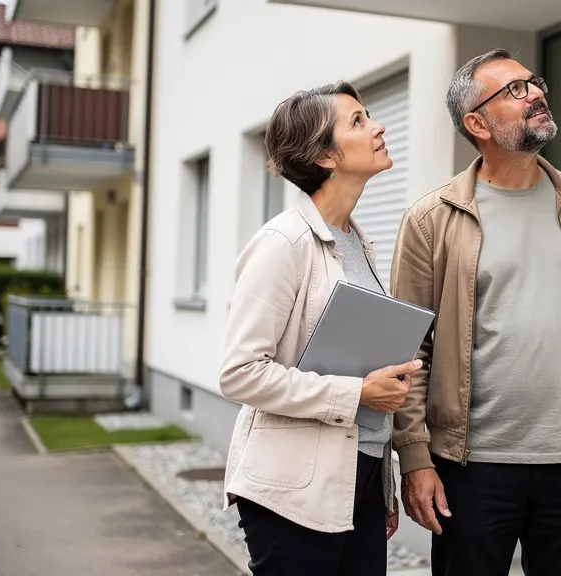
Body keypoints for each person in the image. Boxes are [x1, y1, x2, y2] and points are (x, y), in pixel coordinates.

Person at [389, 49, 561, 576]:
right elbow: (408, 349)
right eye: (513, 89)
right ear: (476, 122)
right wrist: (415, 457)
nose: (534, 93)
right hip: (469, 468)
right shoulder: (431, 218)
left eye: (533, 83)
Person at [217, 80, 420, 576]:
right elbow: (240, 373)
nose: (378, 126)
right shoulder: (284, 243)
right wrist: (357, 394)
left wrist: (382, 484)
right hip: (294, 490)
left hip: (361, 478)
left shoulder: (357, 242)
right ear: (325, 157)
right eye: (357, 121)